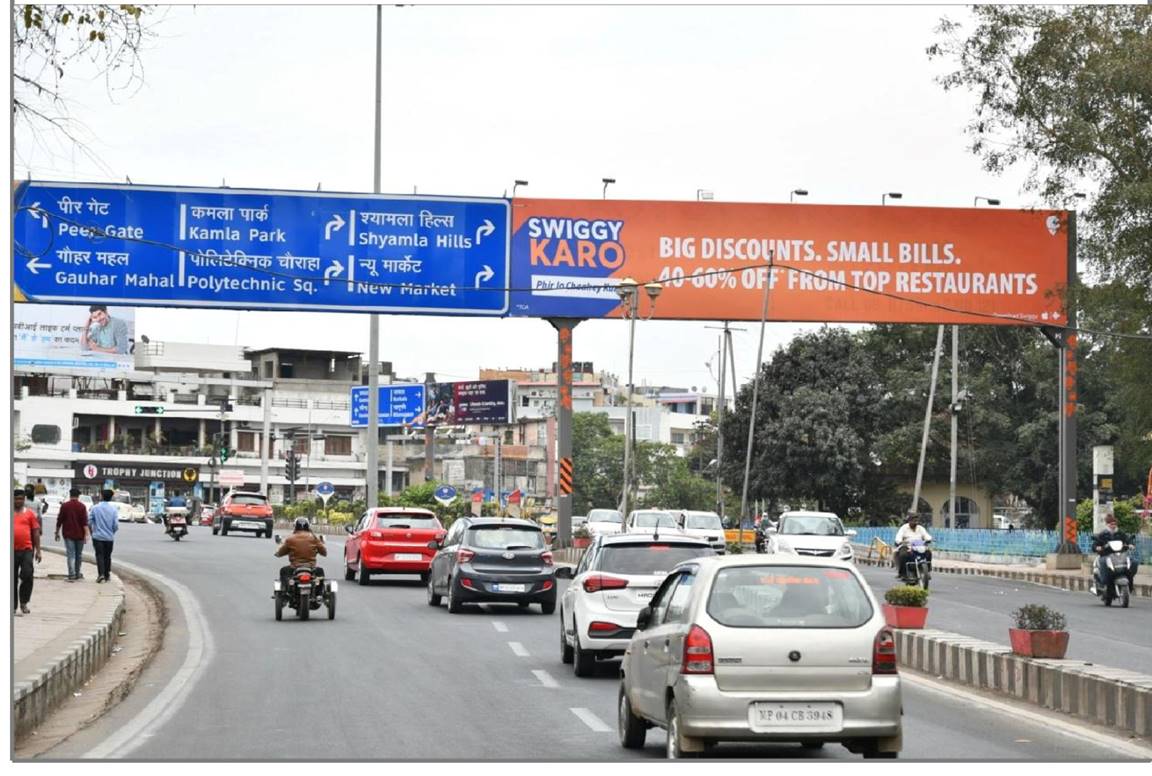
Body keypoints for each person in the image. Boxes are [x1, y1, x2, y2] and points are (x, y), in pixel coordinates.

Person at [1090, 514, 1139, 595]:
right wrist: (1097, 547)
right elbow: (1095, 544)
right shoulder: (1102, 534)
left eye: (1114, 524)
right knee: (1103, 562)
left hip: (1121, 555)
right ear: (1107, 524)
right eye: (1111, 524)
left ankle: (1130, 579)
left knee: (1134, 562)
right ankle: (1103, 583)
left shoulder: (1120, 533)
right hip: (1106, 555)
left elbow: (1128, 540)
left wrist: (1131, 544)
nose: (1113, 526)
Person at [274, 517, 328, 588]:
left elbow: (280, 553)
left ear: (295, 526)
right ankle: (319, 592)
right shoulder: (314, 538)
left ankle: (284, 592)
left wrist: (278, 552)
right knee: (320, 573)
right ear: (308, 527)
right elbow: (324, 553)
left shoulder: (290, 539)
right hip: (311, 567)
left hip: (294, 567)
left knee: (283, 571)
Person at [14, 489, 42, 615]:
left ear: (24, 499)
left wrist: (38, 551)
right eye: (16, 499)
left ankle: (24, 602)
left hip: (27, 549)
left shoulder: (30, 514)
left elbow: (36, 532)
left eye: (20, 499)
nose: (18, 501)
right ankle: (12, 605)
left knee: (27, 575)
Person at [55, 487, 90, 581]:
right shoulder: (82, 506)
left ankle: (71, 574)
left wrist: (57, 532)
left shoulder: (65, 506)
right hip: (80, 534)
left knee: (71, 555)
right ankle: (77, 573)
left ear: (70, 495)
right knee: (79, 555)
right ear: (78, 496)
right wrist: (86, 534)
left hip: (68, 534)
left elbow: (59, 520)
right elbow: (84, 522)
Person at [90, 489, 120, 583]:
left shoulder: (95, 508)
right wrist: (111, 532)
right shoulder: (113, 509)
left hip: (97, 536)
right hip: (109, 537)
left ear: (102, 496)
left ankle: (101, 574)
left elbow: (89, 521)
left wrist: (92, 531)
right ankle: (107, 574)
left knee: (99, 555)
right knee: (107, 556)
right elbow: (116, 525)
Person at [893, 513, 933, 580]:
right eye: (914, 521)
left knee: (928, 552)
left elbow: (926, 536)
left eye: (917, 521)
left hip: (919, 546)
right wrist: (900, 541)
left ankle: (927, 571)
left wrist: (929, 539)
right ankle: (903, 573)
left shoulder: (920, 528)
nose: (915, 522)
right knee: (903, 555)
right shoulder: (904, 528)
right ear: (909, 521)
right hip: (907, 546)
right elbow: (898, 537)